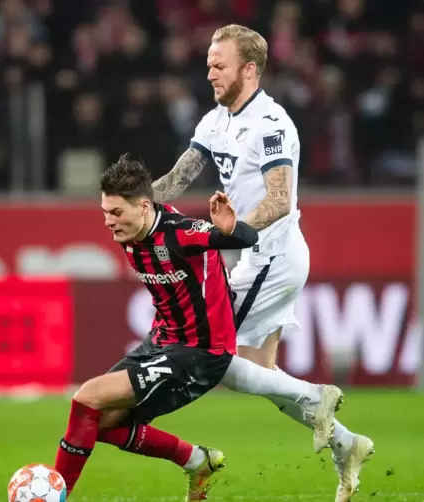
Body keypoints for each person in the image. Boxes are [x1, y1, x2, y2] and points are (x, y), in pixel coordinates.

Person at [150, 24, 374, 501]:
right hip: (253, 255)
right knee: (261, 377)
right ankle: (346, 443)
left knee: (210, 352)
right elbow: (179, 176)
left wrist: (227, 232)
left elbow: (279, 198)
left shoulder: (271, 124)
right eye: (209, 62)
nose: (209, 72)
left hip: (272, 256)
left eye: (219, 65)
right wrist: (136, 203)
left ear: (248, 70)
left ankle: (316, 398)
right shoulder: (215, 121)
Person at [54, 155, 343, 501]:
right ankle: (196, 460)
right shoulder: (131, 236)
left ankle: (56, 494)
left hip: (197, 354)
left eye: (116, 213)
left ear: (144, 206)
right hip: (162, 343)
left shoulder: (181, 233)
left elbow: (243, 239)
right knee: (98, 424)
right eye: (104, 212)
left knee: (87, 397)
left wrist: (230, 227)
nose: (108, 222)